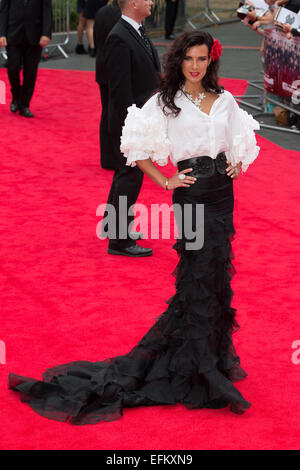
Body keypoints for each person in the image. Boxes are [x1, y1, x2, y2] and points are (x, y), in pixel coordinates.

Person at [8, 31, 260, 424]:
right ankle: (198, 367)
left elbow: (241, 141)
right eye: (188, 59)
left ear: (210, 61)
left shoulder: (225, 99)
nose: (195, 66)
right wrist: (164, 181)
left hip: (223, 198)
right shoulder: (166, 103)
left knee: (216, 278)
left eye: (201, 59)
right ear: (178, 62)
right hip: (191, 199)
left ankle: (207, 358)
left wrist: (238, 164)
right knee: (195, 276)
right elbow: (135, 146)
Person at [102, 0, 161, 257]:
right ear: (133, 2)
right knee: (130, 177)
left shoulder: (135, 30)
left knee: (124, 175)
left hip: (139, 119)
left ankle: (112, 224)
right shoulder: (119, 37)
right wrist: (133, 127)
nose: (151, 2)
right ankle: (119, 240)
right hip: (131, 123)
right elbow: (120, 91)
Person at [0, 0, 52, 118]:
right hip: (13, 33)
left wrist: (46, 34)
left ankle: (24, 105)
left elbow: (47, 10)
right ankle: (16, 95)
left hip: (35, 35)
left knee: (30, 73)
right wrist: (1, 33)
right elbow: (3, 10)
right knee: (13, 68)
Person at [94, 0, 121, 169]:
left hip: (103, 69)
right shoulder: (126, 16)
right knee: (117, 114)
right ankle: (117, 156)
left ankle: (107, 157)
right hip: (117, 71)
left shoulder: (102, 12)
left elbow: (98, 43)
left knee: (106, 113)